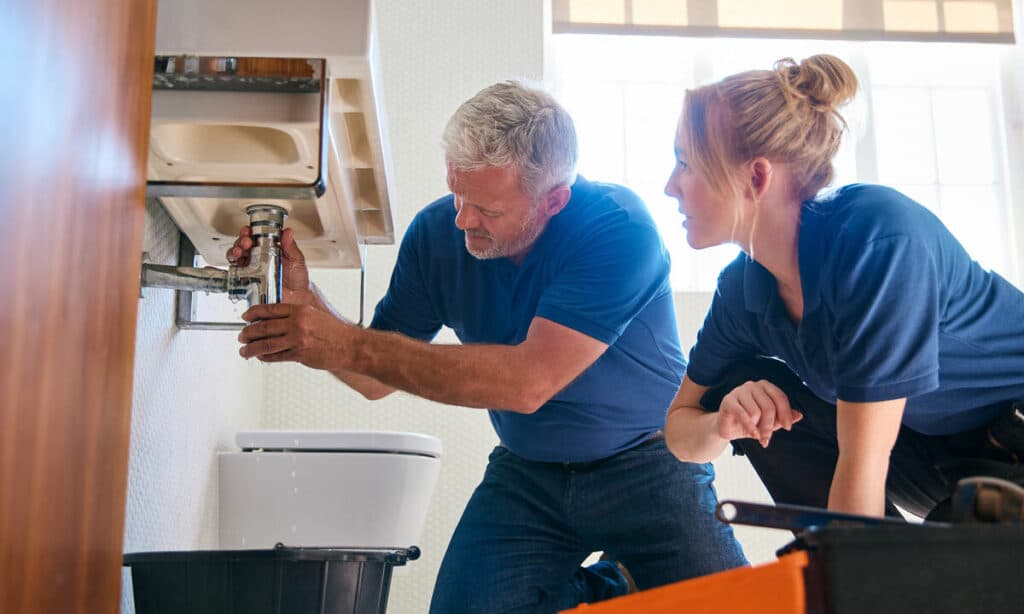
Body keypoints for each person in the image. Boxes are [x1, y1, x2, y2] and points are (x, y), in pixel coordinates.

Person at [232, 81, 746, 612]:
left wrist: (345, 344)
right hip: (529, 473)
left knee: (739, 608)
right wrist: (307, 303)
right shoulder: (438, 234)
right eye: (458, 194)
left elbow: (525, 385)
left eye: (487, 209)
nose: (462, 219)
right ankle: (612, 589)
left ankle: (621, 585)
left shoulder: (618, 230)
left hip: (648, 465)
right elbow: (372, 376)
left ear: (554, 201)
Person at [662, 54, 1024, 522]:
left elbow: (864, 461)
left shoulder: (879, 242)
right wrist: (723, 422)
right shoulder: (742, 290)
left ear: (755, 177)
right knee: (743, 385)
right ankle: (854, 565)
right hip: (930, 456)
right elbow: (679, 428)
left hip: (1011, 437)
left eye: (686, 163)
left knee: (954, 539)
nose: (671, 187)